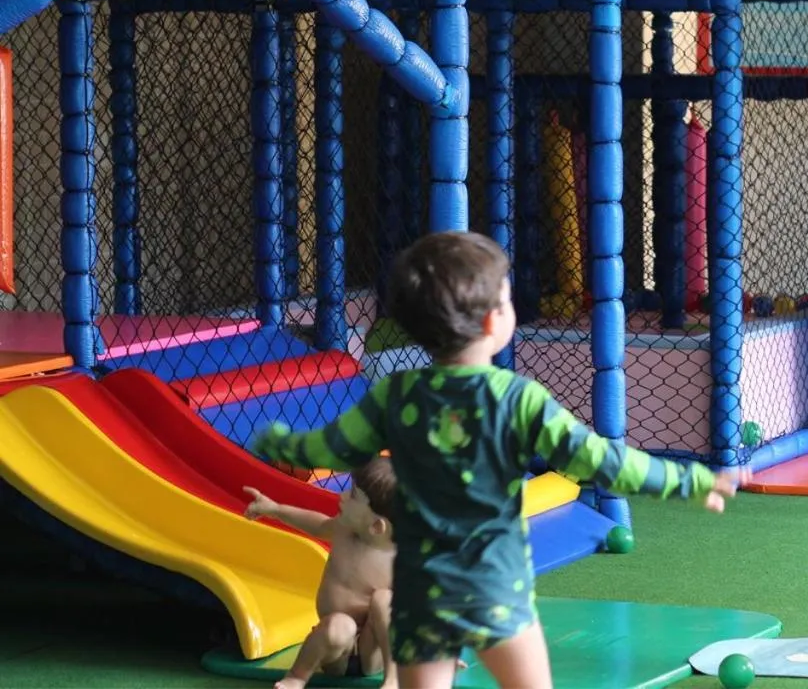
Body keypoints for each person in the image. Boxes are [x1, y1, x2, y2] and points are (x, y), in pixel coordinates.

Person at [251, 230, 743, 689]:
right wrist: (690, 480)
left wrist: (278, 444)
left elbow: (330, 447)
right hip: (495, 587)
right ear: (493, 321)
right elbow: (605, 462)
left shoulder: (395, 395)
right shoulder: (519, 399)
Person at [243, 457, 398, 689]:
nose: (343, 497)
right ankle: (297, 677)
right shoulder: (344, 529)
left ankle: (394, 679)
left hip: (373, 650)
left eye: (353, 496)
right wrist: (275, 510)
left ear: (376, 526)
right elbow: (317, 524)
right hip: (335, 647)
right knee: (340, 625)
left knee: (386, 600)